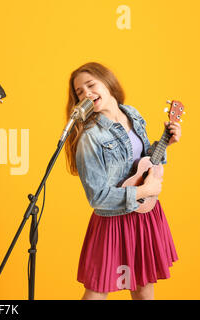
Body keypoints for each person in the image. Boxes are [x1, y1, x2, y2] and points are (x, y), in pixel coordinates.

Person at [64, 62, 181, 300]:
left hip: (145, 214)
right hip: (113, 221)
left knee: (143, 284)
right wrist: (142, 191)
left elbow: (144, 160)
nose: (86, 93)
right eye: (79, 92)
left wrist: (165, 144)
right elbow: (97, 197)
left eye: (90, 85)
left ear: (107, 83)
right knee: (97, 290)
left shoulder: (132, 114)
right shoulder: (90, 137)